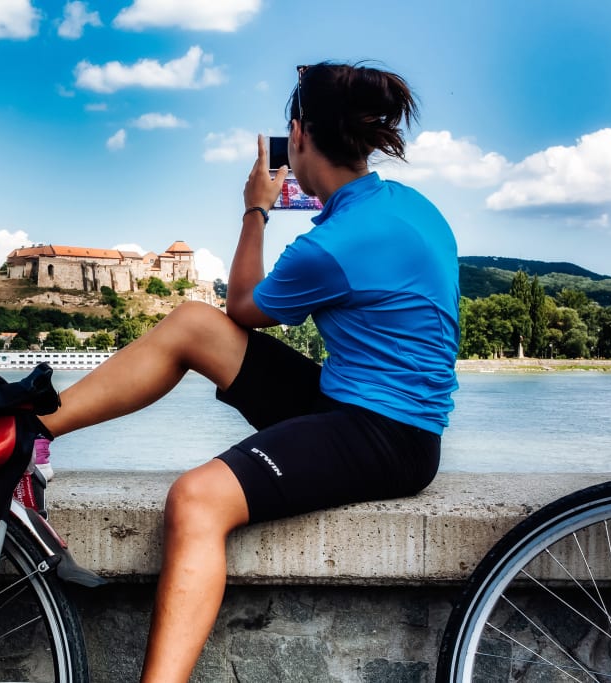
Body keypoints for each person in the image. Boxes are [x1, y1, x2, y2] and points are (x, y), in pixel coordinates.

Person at [36, 60, 460, 682]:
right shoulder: (405, 206)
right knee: (190, 322)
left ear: (301, 134)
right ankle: (36, 429)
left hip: (384, 436)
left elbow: (243, 306)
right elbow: (223, 320)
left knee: (197, 499)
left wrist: (255, 210)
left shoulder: (334, 243)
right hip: (362, 408)